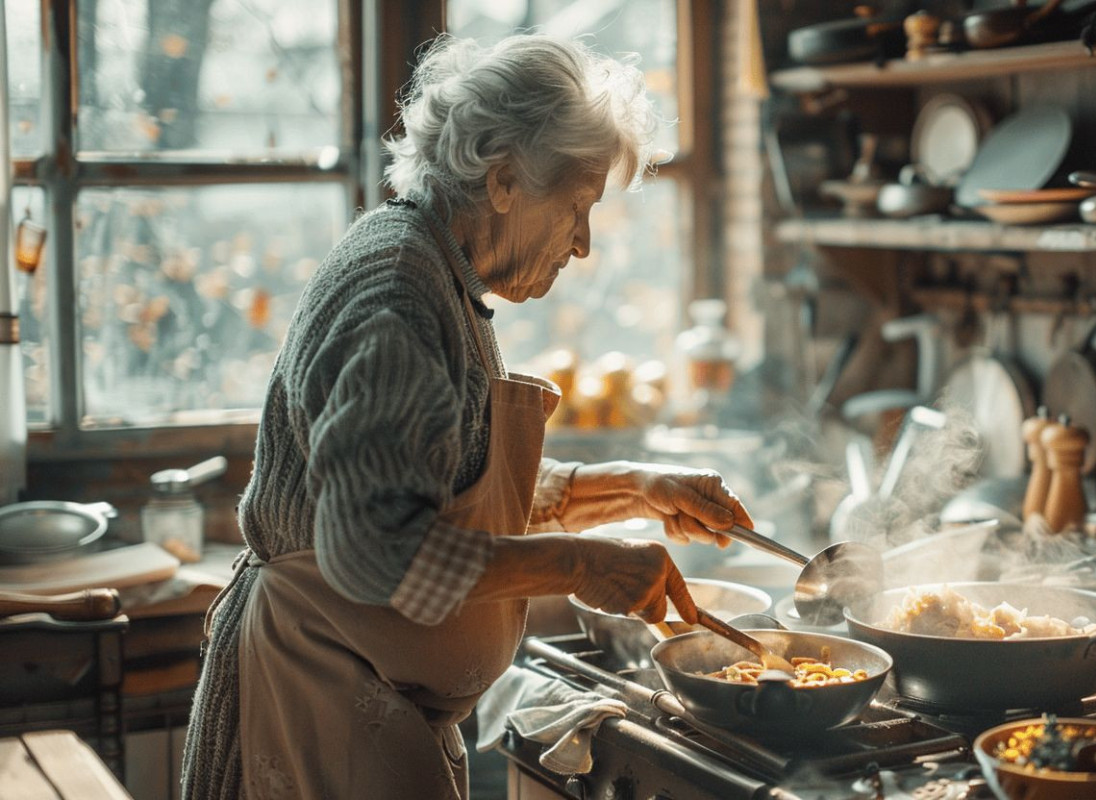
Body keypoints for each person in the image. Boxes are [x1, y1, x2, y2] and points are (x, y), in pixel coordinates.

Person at [181, 33, 753, 800]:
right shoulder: (395, 293)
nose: (583, 244)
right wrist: (582, 565)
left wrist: (636, 487)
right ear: (505, 178)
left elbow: (449, 481)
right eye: (578, 207)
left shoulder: (438, 269)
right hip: (315, 699)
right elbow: (375, 550)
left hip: (366, 699)